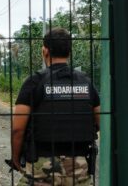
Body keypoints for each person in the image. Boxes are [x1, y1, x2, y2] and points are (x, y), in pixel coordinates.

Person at [10, 28, 100, 186]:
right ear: (69, 52)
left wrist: (15, 159)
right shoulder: (86, 82)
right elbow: (99, 121)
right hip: (78, 167)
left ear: (45, 51)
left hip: (41, 168)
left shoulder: (34, 82)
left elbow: (18, 129)